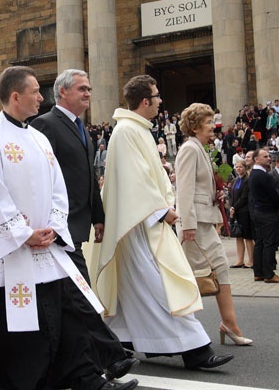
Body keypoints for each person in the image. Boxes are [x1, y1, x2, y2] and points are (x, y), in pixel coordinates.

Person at [0, 66, 137, 390]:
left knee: (62, 316)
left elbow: (59, 188)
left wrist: (56, 227)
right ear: (15, 96)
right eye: (35, 92)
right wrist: (22, 234)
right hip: (7, 251)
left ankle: (89, 384)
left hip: (44, 246)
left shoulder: (39, 138)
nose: (41, 98)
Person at [94, 75, 233, 370]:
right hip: (142, 222)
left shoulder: (204, 147)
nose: (160, 102)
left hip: (159, 218)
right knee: (161, 285)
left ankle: (122, 340)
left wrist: (220, 182)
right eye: (157, 97)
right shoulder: (132, 133)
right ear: (145, 101)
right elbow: (136, 179)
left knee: (137, 287)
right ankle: (196, 348)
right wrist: (164, 211)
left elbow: (223, 173)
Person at [31, 68, 138, 382]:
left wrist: (98, 215)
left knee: (70, 299)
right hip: (56, 227)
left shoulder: (83, 129)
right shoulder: (44, 125)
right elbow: (40, 178)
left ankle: (68, 365)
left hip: (77, 225)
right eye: (82, 89)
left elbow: (89, 177)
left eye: (90, 89)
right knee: (82, 293)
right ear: (62, 92)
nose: (88, 94)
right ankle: (112, 357)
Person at [175, 103, 252, 346]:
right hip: (195, 223)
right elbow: (184, 190)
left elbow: (224, 175)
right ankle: (180, 328)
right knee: (188, 275)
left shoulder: (209, 150)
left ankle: (229, 324)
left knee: (219, 269)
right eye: (208, 122)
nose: (213, 126)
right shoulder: (189, 149)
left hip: (206, 219)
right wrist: (186, 224)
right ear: (196, 126)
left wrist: (219, 193)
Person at [248, 149, 279, 284]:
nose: (269, 158)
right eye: (265, 156)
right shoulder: (263, 175)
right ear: (256, 159)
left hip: (258, 212)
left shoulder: (253, 174)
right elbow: (272, 194)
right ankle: (269, 274)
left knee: (260, 242)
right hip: (267, 213)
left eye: (269, 156)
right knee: (269, 243)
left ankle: (258, 272)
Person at [229, 160, 255, 267]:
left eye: (240, 167)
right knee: (238, 236)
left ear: (245, 168)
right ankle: (240, 260)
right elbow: (231, 195)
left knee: (247, 236)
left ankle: (251, 260)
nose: (238, 169)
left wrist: (235, 207)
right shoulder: (235, 180)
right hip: (235, 212)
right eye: (236, 167)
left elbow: (244, 197)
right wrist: (231, 207)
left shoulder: (247, 180)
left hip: (245, 211)